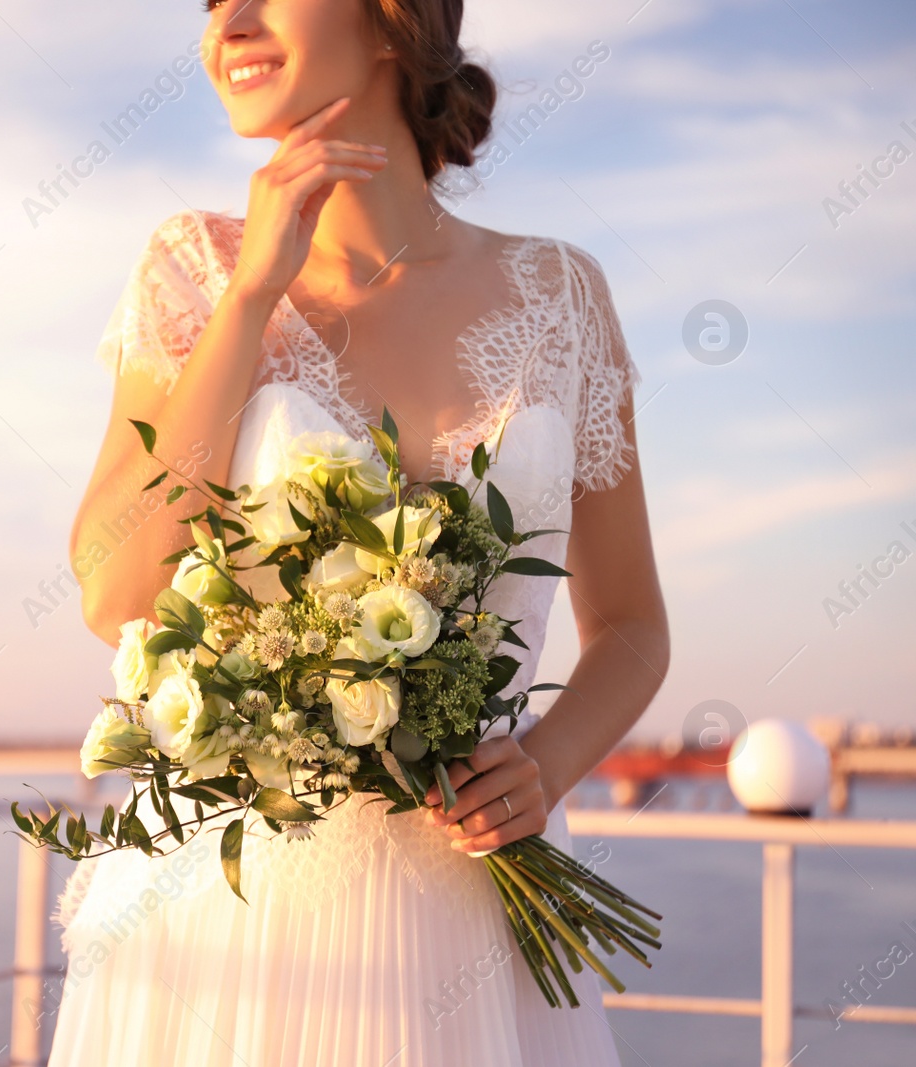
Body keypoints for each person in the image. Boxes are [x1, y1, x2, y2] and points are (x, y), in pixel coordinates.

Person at [51, 1, 670, 1063]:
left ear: (392, 21)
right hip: (226, 911)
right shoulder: (193, 268)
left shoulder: (561, 295)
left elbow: (629, 623)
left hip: (470, 907)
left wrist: (545, 764)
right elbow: (117, 589)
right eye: (210, 4)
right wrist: (251, 296)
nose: (228, 20)